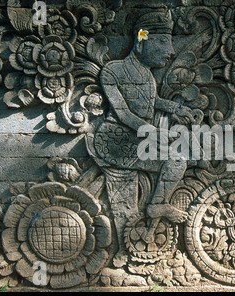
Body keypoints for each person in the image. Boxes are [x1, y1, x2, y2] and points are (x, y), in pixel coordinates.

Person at [87, 9, 197, 261]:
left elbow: (150, 100)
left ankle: (158, 203)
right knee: (177, 159)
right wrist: (156, 133)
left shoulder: (146, 74)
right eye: (162, 42)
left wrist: (176, 109)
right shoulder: (112, 71)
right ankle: (157, 205)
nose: (169, 51)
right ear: (141, 39)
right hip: (114, 140)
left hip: (135, 139)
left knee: (180, 156)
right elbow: (124, 113)